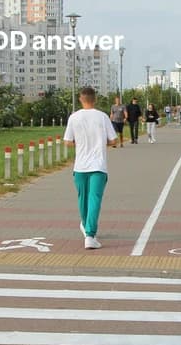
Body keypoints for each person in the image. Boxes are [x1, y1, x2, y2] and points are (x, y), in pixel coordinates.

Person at [63, 86, 117, 250]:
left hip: (80, 166)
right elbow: (113, 140)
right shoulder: (102, 117)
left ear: (81, 99)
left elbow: (67, 141)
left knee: (83, 199)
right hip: (98, 166)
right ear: (95, 99)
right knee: (94, 199)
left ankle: (87, 225)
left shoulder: (74, 117)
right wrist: (102, 142)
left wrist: (79, 143)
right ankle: (90, 234)